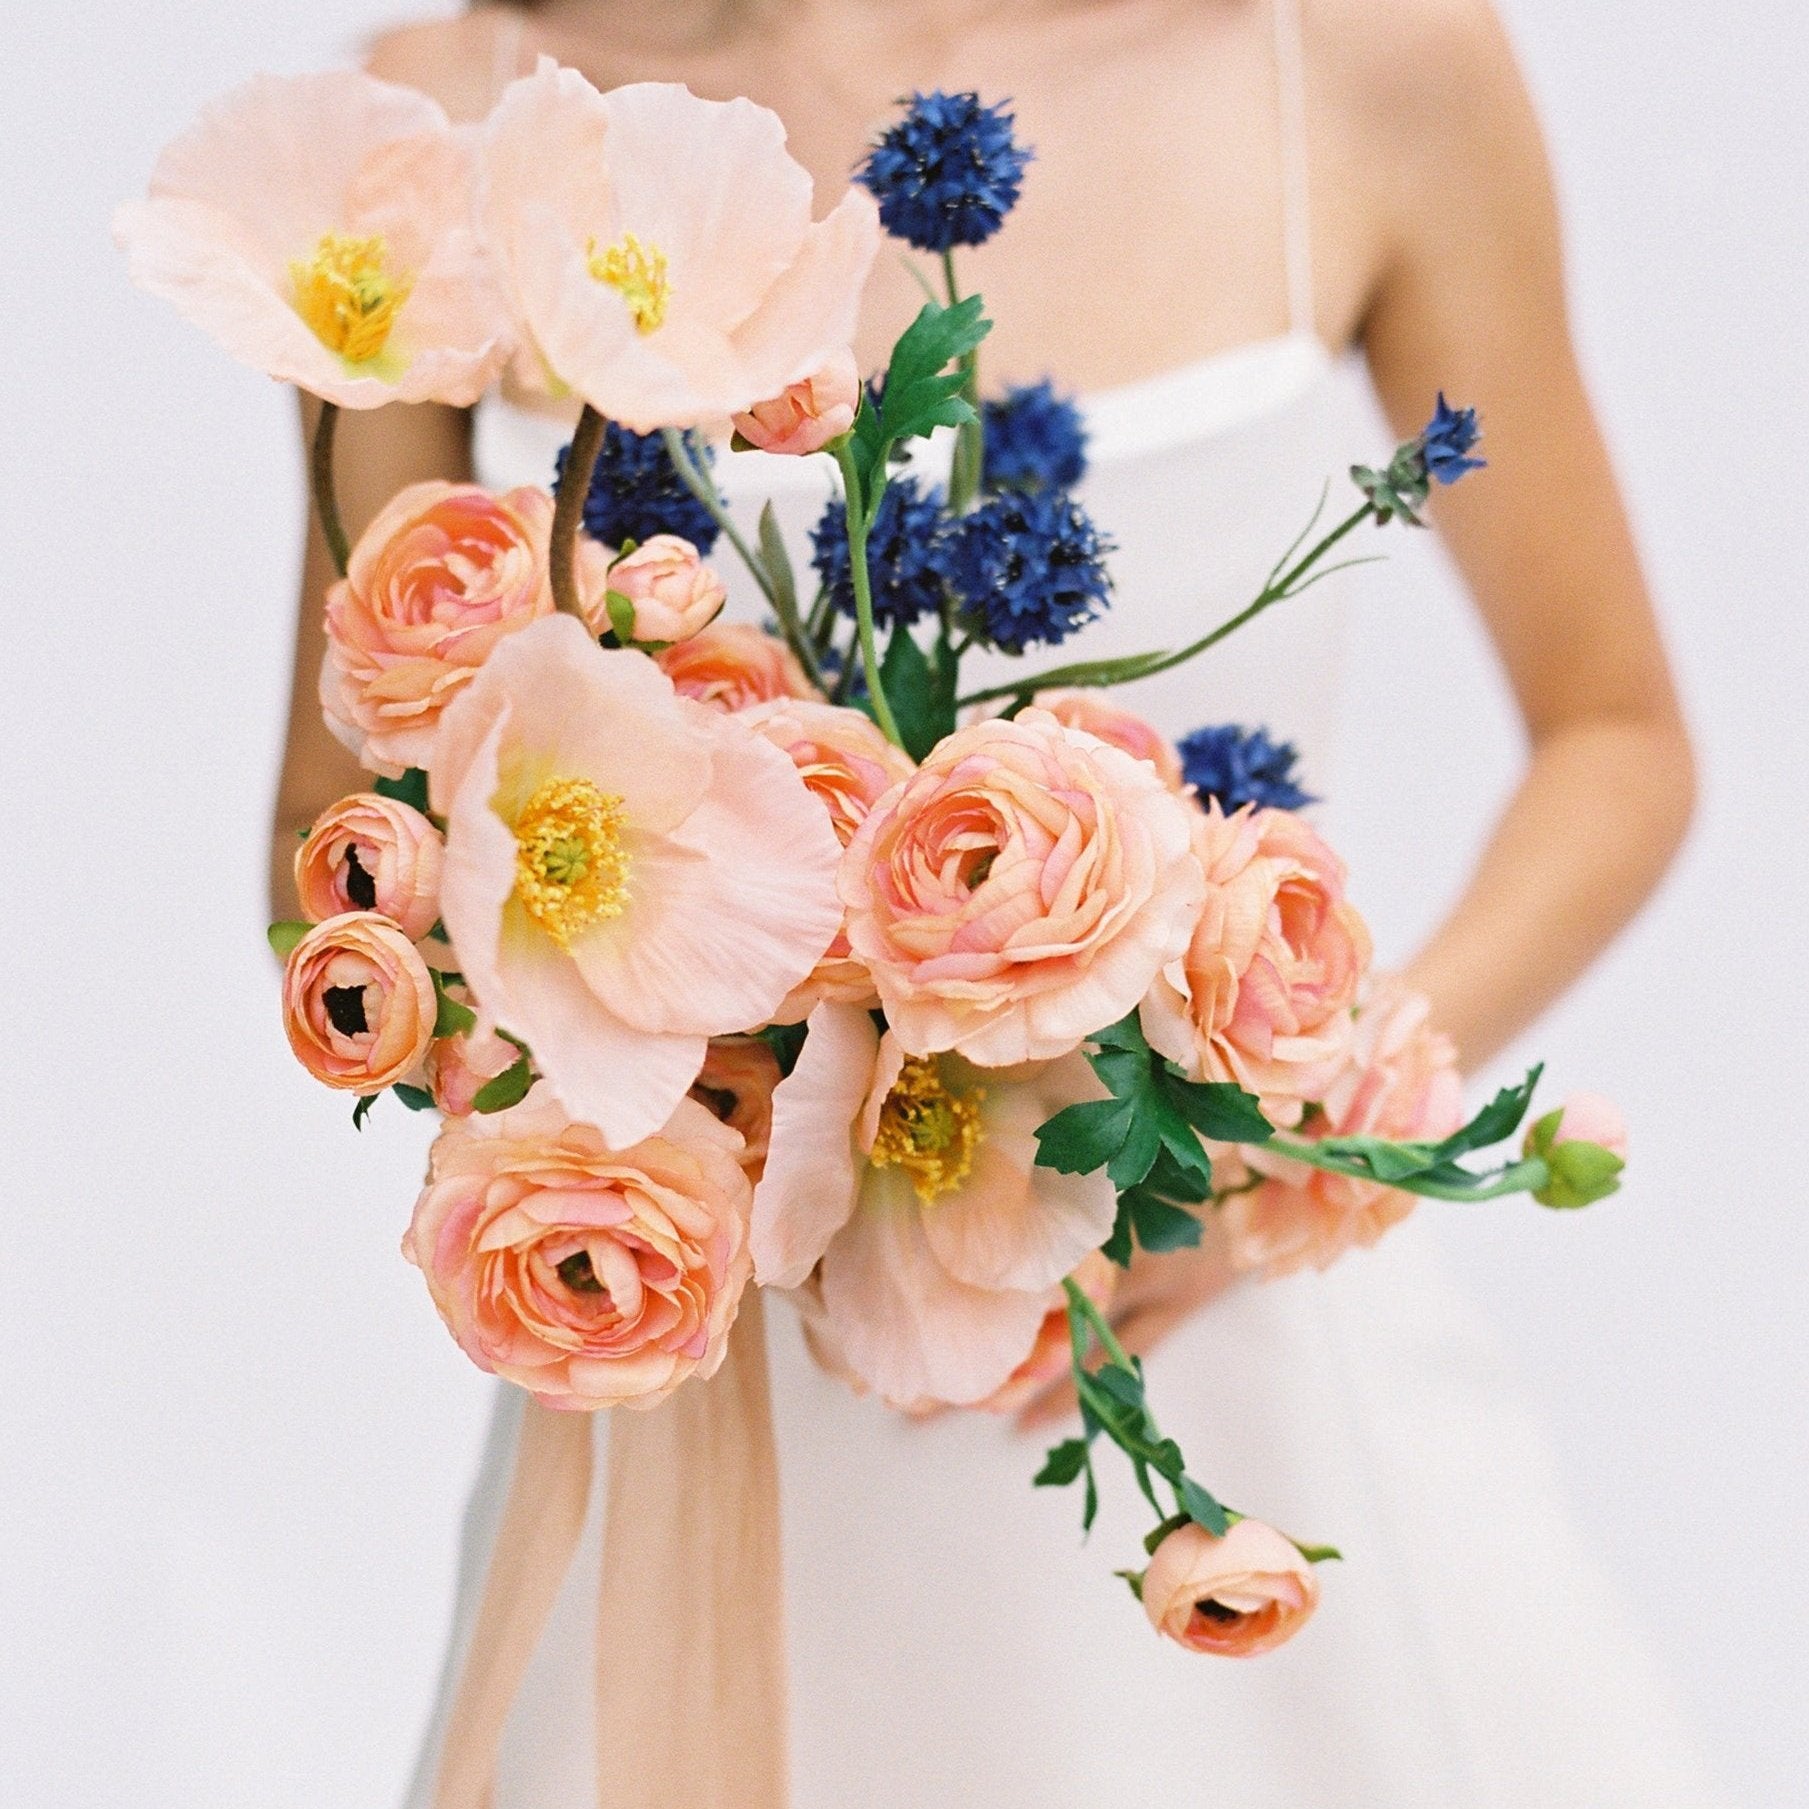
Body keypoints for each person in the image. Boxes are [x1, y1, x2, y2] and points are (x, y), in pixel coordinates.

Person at [275, 3, 1721, 1804]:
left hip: (1217, 1353)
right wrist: (713, 1033)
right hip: (720, 1386)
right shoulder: (445, 113)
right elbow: (334, 848)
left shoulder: (1360, 58)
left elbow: (1616, 733)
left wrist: (1300, 1131)